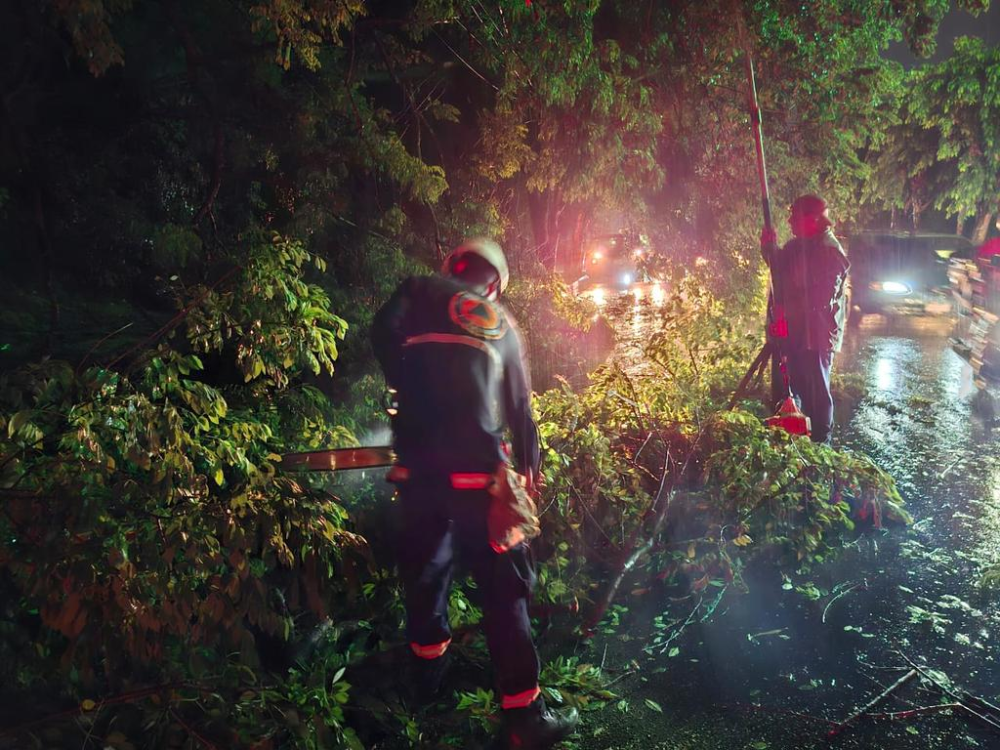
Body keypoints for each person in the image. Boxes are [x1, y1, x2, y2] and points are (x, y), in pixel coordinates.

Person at [371, 238, 579, 749]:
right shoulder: (503, 323)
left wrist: (408, 384)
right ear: (494, 282)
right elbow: (522, 415)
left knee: (425, 575)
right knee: (504, 590)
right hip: (478, 480)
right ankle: (523, 718)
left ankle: (426, 680)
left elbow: (380, 331)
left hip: (418, 476)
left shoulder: (418, 289)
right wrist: (527, 479)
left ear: (454, 267)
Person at [760, 194, 850, 444]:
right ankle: (789, 443)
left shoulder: (830, 252)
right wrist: (769, 248)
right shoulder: (797, 245)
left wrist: (786, 316)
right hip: (791, 334)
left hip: (815, 338)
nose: (789, 220)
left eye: (794, 216)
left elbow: (819, 298)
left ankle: (821, 448)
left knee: (816, 398)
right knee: (786, 392)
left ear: (813, 219)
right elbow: (779, 270)